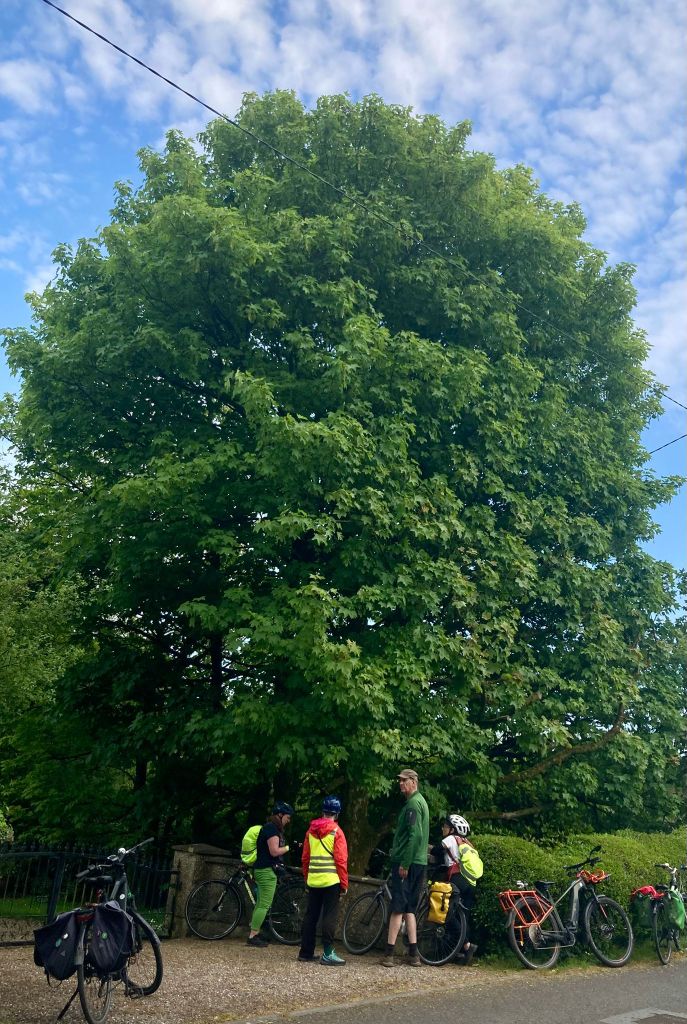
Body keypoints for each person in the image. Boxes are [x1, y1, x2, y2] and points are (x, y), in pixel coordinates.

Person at [380, 768, 429, 968]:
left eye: (404, 780)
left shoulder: (412, 805)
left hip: (407, 861)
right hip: (420, 862)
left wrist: (405, 863)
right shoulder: (421, 802)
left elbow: (414, 835)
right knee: (410, 909)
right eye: (399, 780)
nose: (400, 783)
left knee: (398, 907)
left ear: (413, 782)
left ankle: (389, 954)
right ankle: (414, 954)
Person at [298, 795, 349, 966]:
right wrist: (344, 883)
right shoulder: (337, 832)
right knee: (329, 916)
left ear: (323, 811)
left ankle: (305, 952)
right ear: (337, 813)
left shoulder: (310, 831)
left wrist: (307, 878)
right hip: (331, 881)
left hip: (313, 879)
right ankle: (328, 953)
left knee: (310, 915)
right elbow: (341, 860)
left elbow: (305, 858)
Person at [246, 801, 293, 948]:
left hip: (261, 869)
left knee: (260, 903)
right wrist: (288, 847)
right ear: (280, 814)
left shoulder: (269, 827)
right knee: (264, 905)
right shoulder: (272, 829)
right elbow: (274, 851)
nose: (288, 820)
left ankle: (255, 932)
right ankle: (253, 935)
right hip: (266, 871)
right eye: (288, 817)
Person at [441, 813, 480, 965]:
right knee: (463, 917)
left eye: (445, 826)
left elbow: (437, 850)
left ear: (452, 829)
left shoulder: (450, 839)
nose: (443, 828)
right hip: (471, 883)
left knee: (447, 912)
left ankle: (467, 945)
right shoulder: (468, 843)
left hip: (458, 879)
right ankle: (461, 952)